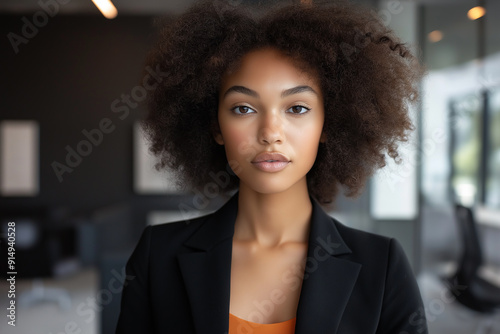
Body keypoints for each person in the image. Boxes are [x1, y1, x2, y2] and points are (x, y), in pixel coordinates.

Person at [116, 0, 428, 333]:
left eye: (296, 108)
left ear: (328, 124)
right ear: (215, 127)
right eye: (243, 109)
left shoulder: (382, 266)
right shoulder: (158, 257)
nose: (269, 134)